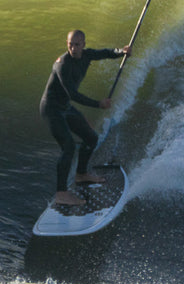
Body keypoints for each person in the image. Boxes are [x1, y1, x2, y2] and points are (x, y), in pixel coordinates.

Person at [40, 30, 131, 206]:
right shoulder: (63, 65)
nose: (73, 48)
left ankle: (81, 175)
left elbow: (104, 52)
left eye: (77, 44)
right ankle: (61, 194)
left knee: (91, 138)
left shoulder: (86, 55)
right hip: (52, 109)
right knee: (68, 147)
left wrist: (122, 52)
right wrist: (98, 104)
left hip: (65, 107)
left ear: (83, 44)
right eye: (70, 44)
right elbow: (72, 94)